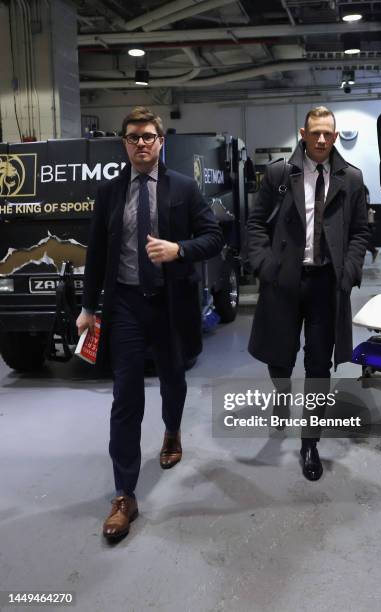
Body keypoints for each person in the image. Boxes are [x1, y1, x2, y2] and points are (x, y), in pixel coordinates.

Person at [76, 107, 223, 540]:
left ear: (162, 142)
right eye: (134, 137)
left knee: (173, 379)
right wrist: (87, 306)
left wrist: (179, 249)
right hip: (124, 306)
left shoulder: (183, 187)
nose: (142, 143)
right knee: (125, 397)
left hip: (171, 303)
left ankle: (172, 431)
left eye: (149, 136)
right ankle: (124, 494)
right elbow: (96, 255)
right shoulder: (109, 193)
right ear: (124, 143)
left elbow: (213, 238)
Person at [247, 106, 369, 481]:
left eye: (326, 134)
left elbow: (361, 231)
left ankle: (309, 442)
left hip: (326, 285)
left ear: (335, 136)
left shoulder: (351, 178)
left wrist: (347, 274)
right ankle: (282, 395)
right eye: (314, 133)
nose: (320, 140)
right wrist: (266, 268)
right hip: (284, 280)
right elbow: (255, 224)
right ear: (303, 132)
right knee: (279, 357)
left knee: (318, 364)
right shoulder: (280, 173)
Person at [364, 185, 379, 262]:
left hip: (363, 214)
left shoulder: (361, 187)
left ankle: (373, 251)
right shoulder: (364, 188)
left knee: (362, 238)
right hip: (365, 214)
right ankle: (373, 251)